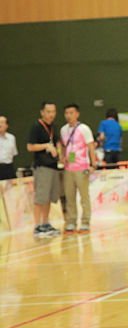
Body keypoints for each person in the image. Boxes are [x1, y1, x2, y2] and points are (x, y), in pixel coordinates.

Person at [59, 104, 97, 234]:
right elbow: (63, 146)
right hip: (68, 168)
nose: (68, 116)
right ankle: (71, 222)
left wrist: (93, 164)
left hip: (82, 167)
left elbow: (91, 146)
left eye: (71, 113)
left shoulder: (84, 129)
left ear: (77, 114)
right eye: (66, 113)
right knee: (69, 197)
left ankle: (85, 222)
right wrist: (62, 157)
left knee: (84, 197)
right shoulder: (63, 130)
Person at [27, 102, 62, 238]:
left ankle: (45, 223)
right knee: (40, 197)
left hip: (53, 166)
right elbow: (30, 147)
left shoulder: (54, 127)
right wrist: (46, 146)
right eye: (48, 111)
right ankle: (37, 226)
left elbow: (57, 143)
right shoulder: (36, 126)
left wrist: (59, 153)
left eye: (53, 111)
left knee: (48, 197)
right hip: (42, 167)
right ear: (42, 112)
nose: (51, 114)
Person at [0, 115, 18, 180]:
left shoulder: (11, 138)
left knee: (10, 189)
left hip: (9, 168)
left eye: (2, 122)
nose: (0, 124)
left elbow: (13, 153)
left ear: (6, 125)